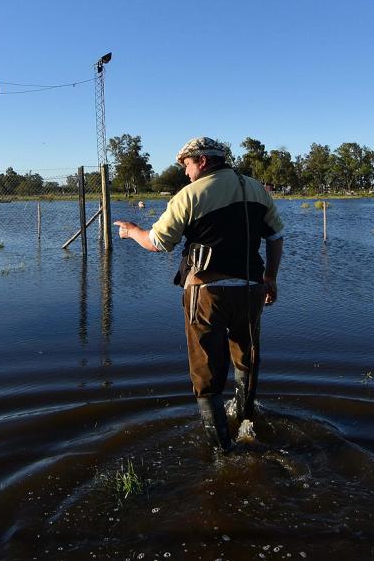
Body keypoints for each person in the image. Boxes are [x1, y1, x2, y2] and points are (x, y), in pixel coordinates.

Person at [114, 137, 284, 454]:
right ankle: (246, 421)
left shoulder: (190, 195)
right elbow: (276, 235)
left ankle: (222, 452)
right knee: (246, 359)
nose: (186, 173)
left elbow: (158, 242)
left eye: (187, 165)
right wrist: (270, 277)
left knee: (205, 371)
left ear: (202, 161)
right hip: (251, 291)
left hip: (206, 293)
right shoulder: (256, 189)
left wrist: (132, 231)